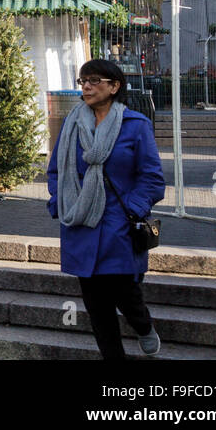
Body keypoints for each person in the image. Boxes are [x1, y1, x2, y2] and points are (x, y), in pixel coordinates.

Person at [48, 58, 166, 360]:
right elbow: (57, 171)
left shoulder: (135, 125)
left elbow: (152, 178)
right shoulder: (72, 124)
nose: (86, 86)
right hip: (80, 225)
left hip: (119, 224)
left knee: (125, 292)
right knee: (96, 302)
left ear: (114, 86)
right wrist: (60, 202)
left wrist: (134, 208)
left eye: (94, 80)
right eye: (82, 81)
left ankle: (143, 326)